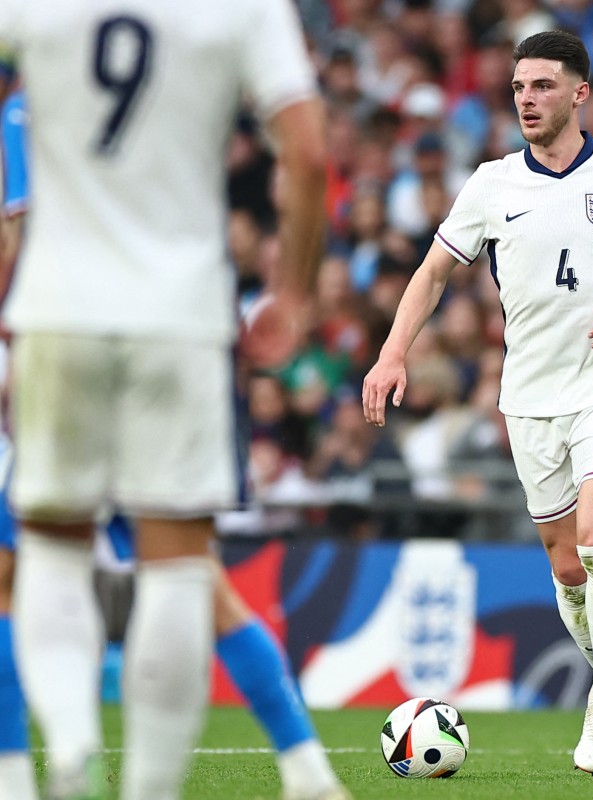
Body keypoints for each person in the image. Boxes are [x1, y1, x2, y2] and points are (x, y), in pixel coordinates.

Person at [362, 30, 593, 777]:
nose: (527, 98)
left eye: (544, 86)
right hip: (527, 398)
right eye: (519, 86)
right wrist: (394, 351)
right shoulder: (492, 184)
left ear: (579, 93)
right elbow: (430, 274)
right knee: (567, 571)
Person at [0, 1, 327, 797]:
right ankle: (181, 783)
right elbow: (311, 156)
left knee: (42, 554)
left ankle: (58, 753)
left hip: (55, 315)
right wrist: (294, 293)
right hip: (181, 317)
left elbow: (13, 232)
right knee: (185, 566)